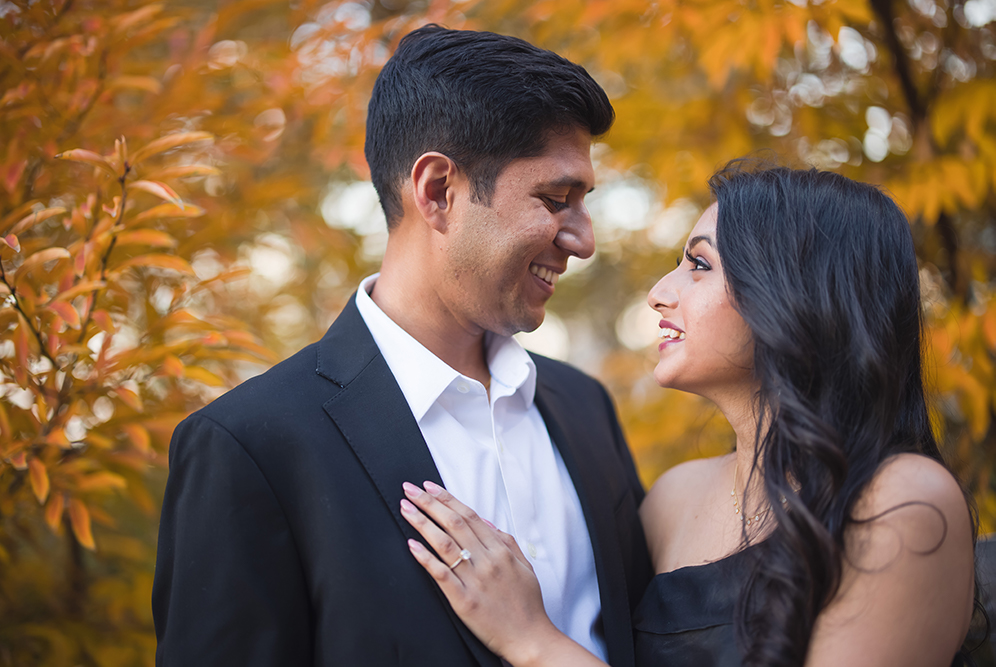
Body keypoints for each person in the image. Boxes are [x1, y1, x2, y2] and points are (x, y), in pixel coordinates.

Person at [151, 25, 653, 667]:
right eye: (557, 200)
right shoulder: (250, 446)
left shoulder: (584, 408)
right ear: (438, 190)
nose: (583, 240)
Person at [400, 164, 978, 667]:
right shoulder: (672, 501)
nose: (658, 292)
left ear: (796, 294)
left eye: (699, 266)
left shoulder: (902, 504)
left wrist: (532, 640)